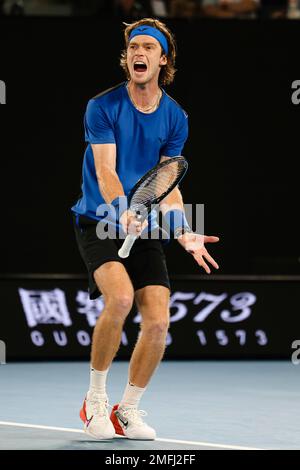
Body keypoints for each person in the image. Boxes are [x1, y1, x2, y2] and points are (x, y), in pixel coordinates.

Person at [71, 17, 220, 441]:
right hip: (97, 220)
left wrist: (184, 231)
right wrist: (121, 210)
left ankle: (127, 409)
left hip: (145, 228)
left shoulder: (175, 117)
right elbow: (105, 170)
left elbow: (168, 182)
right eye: (133, 46)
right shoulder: (102, 107)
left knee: (157, 321)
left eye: (148, 48)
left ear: (162, 59)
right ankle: (94, 399)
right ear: (127, 57)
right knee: (118, 299)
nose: (139, 52)